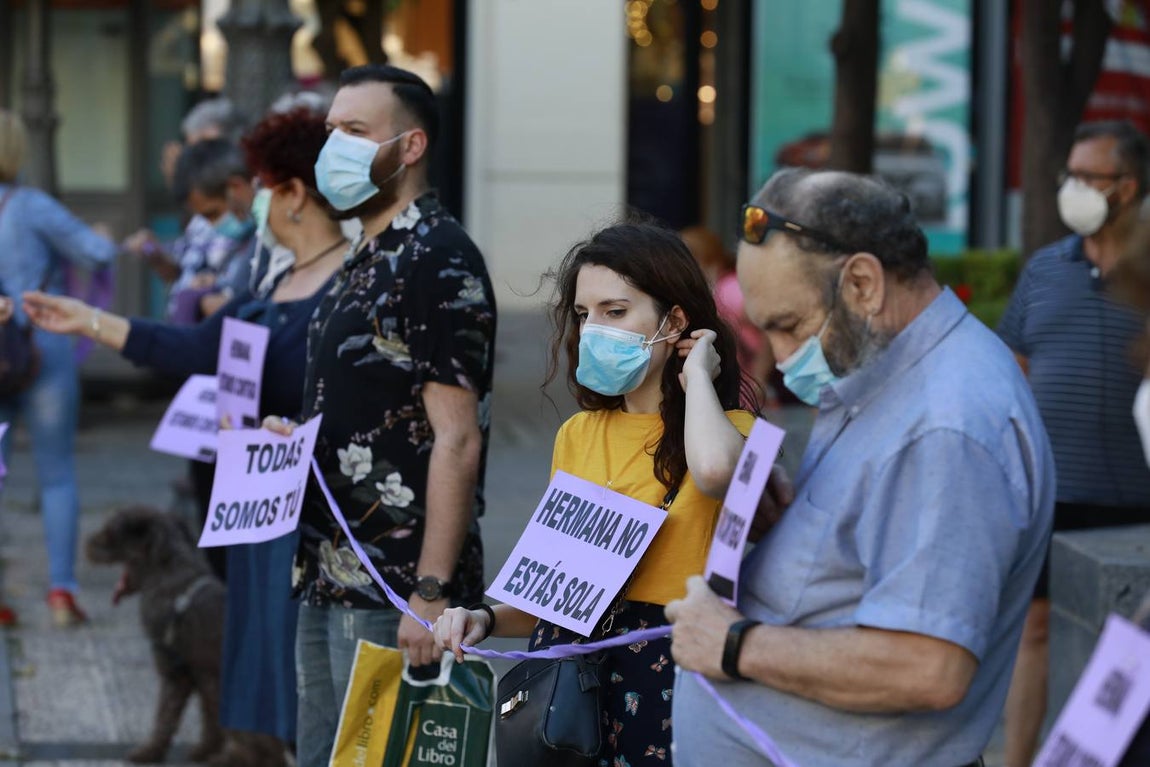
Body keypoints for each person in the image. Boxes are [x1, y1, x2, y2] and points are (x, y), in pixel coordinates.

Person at [665, 168, 1054, 767]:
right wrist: (787, 528)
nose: (782, 358)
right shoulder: (880, 367)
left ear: (864, 283)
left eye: (789, 326)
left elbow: (930, 667)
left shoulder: (945, 424)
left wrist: (733, 644)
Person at [23, 106, 346, 751]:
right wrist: (87, 318)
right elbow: (197, 347)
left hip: (317, 535)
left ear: (293, 194)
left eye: (257, 188)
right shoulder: (275, 278)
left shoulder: (353, 283)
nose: (248, 202)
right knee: (267, 686)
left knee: (313, 697)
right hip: (259, 520)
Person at [435, 221, 762, 765]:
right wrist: (484, 617)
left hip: (672, 693)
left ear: (675, 321)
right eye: (585, 315)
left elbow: (717, 469)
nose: (593, 330)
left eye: (615, 312)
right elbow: (556, 592)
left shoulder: (733, 434)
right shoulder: (578, 436)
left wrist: (698, 377)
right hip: (569, 698)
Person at [260, 64, 496, 767]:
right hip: (326, 568)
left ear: (411, 146)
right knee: (322, 755)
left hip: (393, 583)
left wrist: (428, 593)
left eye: (355, 131)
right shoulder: (365, 252)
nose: (334, 145)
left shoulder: (437, 257)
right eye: (332, 129)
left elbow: (457, 437)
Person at [997, 120, 1150, 767]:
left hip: (1134, 504)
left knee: (1131, 644)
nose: (1074, 189)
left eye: (1090, 177)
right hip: (1052, 490)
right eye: (1070, 175)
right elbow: (1014, 365)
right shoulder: (1045, 268)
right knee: (1032, 631)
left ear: (1127, 187)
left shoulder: (1146, 272)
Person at [0, 109, 119, 627]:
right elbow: (95, 253)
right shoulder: (30, 206)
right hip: (41, 344)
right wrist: (100, 232)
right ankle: (61, 595)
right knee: (55, 476)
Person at [680, 225, 777, 409]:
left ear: (707, 261)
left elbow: (769, 326)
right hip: (742, 392)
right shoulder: (711, 292)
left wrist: (760, 377)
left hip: (754, 392)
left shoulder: (729, 289)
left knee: (764, 434)